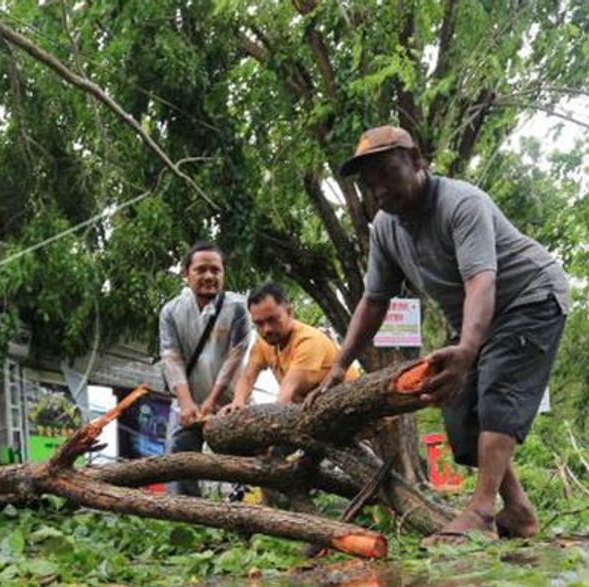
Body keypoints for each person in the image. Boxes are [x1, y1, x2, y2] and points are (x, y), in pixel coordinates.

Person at [307, 126, 569, 544]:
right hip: (474, 314)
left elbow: (481, 282)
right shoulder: (386, 229)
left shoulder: (461, 204)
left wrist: (467, 349)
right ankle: (518, 510)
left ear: (416, 160)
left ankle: (482, 513)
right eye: (369, 182)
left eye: (387, 173)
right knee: (459, 411)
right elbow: (374, 301)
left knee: (497, 391)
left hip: (528, 296)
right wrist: (339, 367)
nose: (379, 189)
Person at [158, 242, 251, 496]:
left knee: (244, 469)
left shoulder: (238, 308)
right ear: (186, 274)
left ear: (223, 274)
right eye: (201, 270)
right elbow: (171, 357)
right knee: (178, 467)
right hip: (187, 405)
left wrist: (211, 402)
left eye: (215, 270)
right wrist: (187, 403)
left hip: (231, 403)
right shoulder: (170, 312)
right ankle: (186, 525)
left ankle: (250, 525)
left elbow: (236, 355)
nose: (209, 276)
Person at [219, 282, 357, 413]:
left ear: (289, 312)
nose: (266, 329)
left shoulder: (308, 341)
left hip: (350, 403)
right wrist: (237, 402)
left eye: (272, 320)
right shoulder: (262, 342)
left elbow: (287, 391)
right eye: (259, 324)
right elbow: (248, 376)